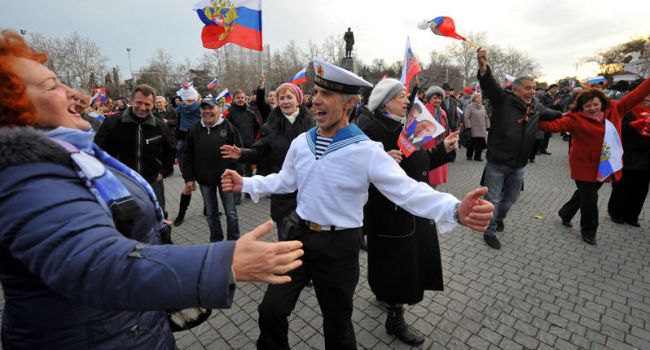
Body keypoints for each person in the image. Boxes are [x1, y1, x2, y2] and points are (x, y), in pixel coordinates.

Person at [0, 30, 304, 349]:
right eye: (52, 86)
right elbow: (99, 265)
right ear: (13, 109)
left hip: (128, 327)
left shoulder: (70, 153)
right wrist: (222, 262)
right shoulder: (26, 174)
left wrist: (155, 228)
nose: (75, 93)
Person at [221, 59, 494, 350]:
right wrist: (247, 183)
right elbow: (286, 181)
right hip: (298, 238)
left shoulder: (366, 150)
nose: (316, 102)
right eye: (316, 93)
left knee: (337, 327)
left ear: (350, 102)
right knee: (270, 311)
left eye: (326, 95)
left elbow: (407, 191)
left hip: (339, 248)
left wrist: (454, 209)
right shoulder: (302, 141)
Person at [362, 78, 460, 345]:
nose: (407, 101)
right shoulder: (369, 129)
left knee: (401, 263)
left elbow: (419, 162)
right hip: (389, 213)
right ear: (384, 101)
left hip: (413, 207)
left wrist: (442, 150)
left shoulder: (406, 126)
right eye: (400, 97)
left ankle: (386, 297)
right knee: (397, 266)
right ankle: (395, 320)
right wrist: (377, 163)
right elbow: (355, 171)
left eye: (406, 96)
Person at [538, 78, 650, 245]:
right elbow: (552, 126)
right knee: (590, 198)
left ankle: (565, 212)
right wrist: (529, 117)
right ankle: (589, 231)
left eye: (595, 104)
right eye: (587, 106)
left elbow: (637, 94)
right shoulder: (574, 119)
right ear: (581, 107)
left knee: (584, 194)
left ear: (602, 103)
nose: (592, 108)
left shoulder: (616, 110)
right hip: (583, 166)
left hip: (605, 164)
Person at [476, 48, 562, 249]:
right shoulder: (502, 101)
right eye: (527, 88)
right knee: (493, 201)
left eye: (533, 87)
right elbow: (489, 85)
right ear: (515, 89)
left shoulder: (536, 108)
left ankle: (499, 219)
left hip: (519, 166)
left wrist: (577, 111)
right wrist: (483, 67)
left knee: (510, 200)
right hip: (497, 164)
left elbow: (555, 114)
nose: (532, 91)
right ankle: (489, 231)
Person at [221, 82, 314, 236]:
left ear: (298, 100)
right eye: (281, 98)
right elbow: (259, 152)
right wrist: (242, 154)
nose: (285, 101)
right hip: (282, 192)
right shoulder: (270, 126)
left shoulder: (313, 124)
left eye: (289, 97)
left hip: (309, 189)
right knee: (286, 238)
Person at [95, 84, 176, 219]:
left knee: (159, 217)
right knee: (128, 221)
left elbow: (171, 149)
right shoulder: (113, 122)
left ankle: (163, 240)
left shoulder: (159, 125)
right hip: (122, 183)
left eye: (147, 104)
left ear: (153, 105)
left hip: (152, 181)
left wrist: (164, 172)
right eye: (139, 103)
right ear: (131, 101)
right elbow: (98, 149)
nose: (143, 108)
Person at [182, 98, 241, 242]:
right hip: (204, 180)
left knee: (231, 213)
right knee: (210, 213)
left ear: (218, 109)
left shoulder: (229, 127)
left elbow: (239, 152)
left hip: (226, 179)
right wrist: (189, 178)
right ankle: (216, 241)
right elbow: (187, 155)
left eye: (211, 108)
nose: (207, 111)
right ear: (200, 110)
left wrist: (236, 174)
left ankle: (233, 242)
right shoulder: (194, 129)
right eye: (204, 108)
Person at [607, 83, 650, 227]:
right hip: (628, 153)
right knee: (623, 185)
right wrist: (633, 125)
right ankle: (616, 213)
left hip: (646, 156)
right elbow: (617, 129)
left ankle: (632, 216)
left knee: (641, 188)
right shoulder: (626, 109)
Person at [173, 85, 202, 226]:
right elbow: (176, 127)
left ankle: (208, 209)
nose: (189, 104)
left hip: (200, 146)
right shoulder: (180, 110)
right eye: (187, 100)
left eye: (192, 100)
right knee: (188, 186)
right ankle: (181, 214)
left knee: (206, 185)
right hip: (187, 147)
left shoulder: (201, 108)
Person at [424, 85, 454, 187]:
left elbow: (446, 128)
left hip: (440, 147)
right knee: (427, 179)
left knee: (435, 181)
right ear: (429, 99)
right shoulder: (423, 112)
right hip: (427, 148)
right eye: (435, 98)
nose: (438, 100)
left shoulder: (442, 112)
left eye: (440, 98)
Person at [464, 93, 490, 161]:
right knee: (472, 143)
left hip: (482, 128)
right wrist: (468, 126)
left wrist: (488, 126)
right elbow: (466, 117)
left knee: (480, 143)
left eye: (480, 97)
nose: (479, 98)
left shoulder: (483, 107)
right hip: (473, 128)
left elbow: (486, 117)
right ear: (474, 99)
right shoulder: (469, 107)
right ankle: (469, 155)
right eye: (478, 97)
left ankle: (477, 157)